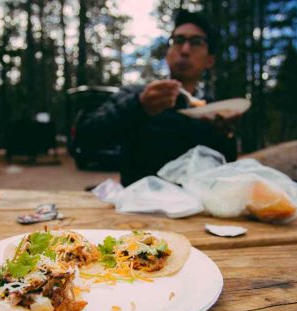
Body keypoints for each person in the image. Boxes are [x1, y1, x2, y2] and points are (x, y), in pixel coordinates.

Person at [75, 10, 237, 186]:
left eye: (196, 42)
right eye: (179, 41)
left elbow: (226, 165)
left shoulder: (214, 110)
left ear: (209, 61)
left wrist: (224, 135)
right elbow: (85, 139)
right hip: (139, 207)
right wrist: (138, 106)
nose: (184, 50)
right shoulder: (137, 96)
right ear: (168, 54)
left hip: (197, 209)